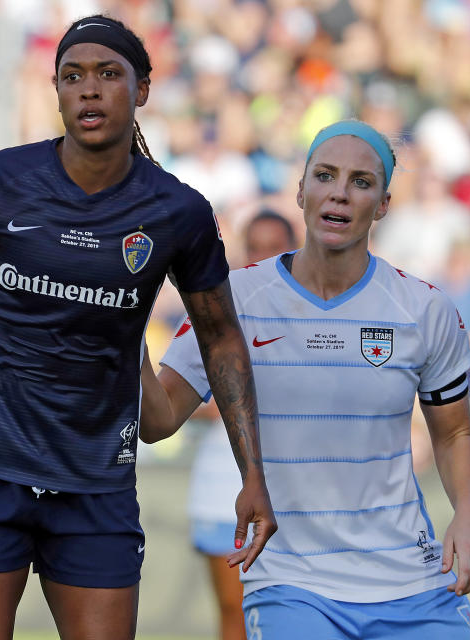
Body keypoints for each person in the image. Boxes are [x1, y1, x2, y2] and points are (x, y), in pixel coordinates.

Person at [0, 15, 275, 640]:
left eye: (107, 74)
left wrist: (250, 472)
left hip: (96, 479)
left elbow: (221, 336)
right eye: (72, 77)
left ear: (143, 89)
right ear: (57, 92)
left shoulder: (179, 211)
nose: (88, 90)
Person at [140, 120, 470, 639]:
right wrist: (123, 319)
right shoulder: (233, 300)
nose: (340, 194)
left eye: (361, 182)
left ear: (385, 204)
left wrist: (469, 513)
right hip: (292, 585)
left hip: (412, 583)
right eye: (325, 176)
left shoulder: (425, 309)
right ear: (301, 190)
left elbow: (455, 433)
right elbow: (158, 419)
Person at [183, 210, 297, 640]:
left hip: (293, 492)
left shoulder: (318, 315)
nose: (265, 257)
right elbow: (172, 401)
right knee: (235, 614)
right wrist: (224, 404)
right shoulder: (216, 312)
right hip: (220, 489)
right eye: (256, 247)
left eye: (276, 247)